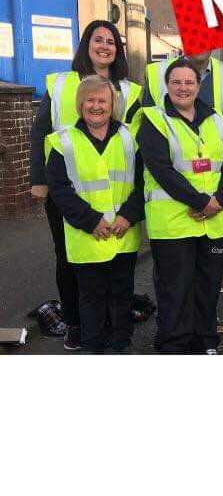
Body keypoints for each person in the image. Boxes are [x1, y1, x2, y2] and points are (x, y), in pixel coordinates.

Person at [29, 19, 141, 351]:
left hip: (117, 194)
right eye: (98, 39)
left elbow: (137, 141)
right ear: (86, 45)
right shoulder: (61, 83)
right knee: (69, 259)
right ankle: (75, 325)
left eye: (111, 42)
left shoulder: (130, 90)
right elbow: (41, 131)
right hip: (67, 188)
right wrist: (39, 180)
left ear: (117, 50)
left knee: (115, 268)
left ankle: (108, 328)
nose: (104, 46)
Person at [137, 58, 223, 354]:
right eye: (176, 82)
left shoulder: (215, 118)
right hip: (174, 224)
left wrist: (219, 200)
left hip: (213, 221)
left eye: (189, 82)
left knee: (208, 287)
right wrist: (203, 202)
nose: (183, 88)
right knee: (175, 290)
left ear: (199, 85)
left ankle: (205, 342)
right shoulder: (154, 120)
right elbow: (161, 170)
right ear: (166, 86)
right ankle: (173, 345)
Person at [44, 76, 145, 353]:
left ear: (113, 105)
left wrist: (128, 215)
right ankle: (94, 347)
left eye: (103, 100)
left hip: (123, 233)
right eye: (89, 100)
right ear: (80, 104)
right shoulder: (62, 141)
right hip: (87, 236)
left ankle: (121, 344)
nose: (96, 106)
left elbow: (143, 182)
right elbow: (59, 189)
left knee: (122, 295)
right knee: (91, 298)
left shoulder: (130, 138)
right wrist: (91, 221)